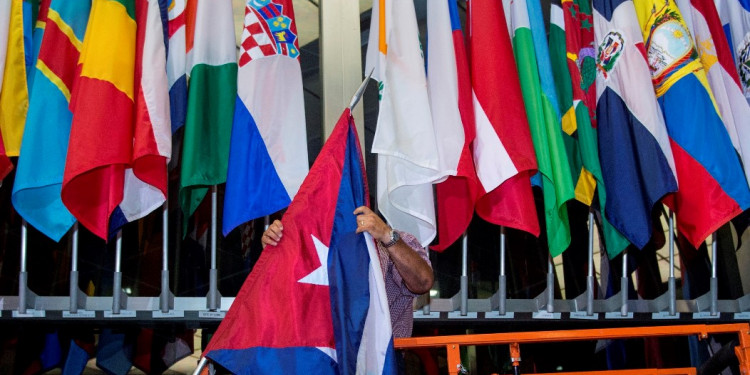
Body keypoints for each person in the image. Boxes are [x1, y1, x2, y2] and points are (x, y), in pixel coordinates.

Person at [261, 205, 434, 338]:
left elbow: (423, 282)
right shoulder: (305, 245)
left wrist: (387, 236)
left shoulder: (393, 240)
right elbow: (279, 303)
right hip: (321, 358)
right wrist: (275, 252)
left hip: (381, 359)